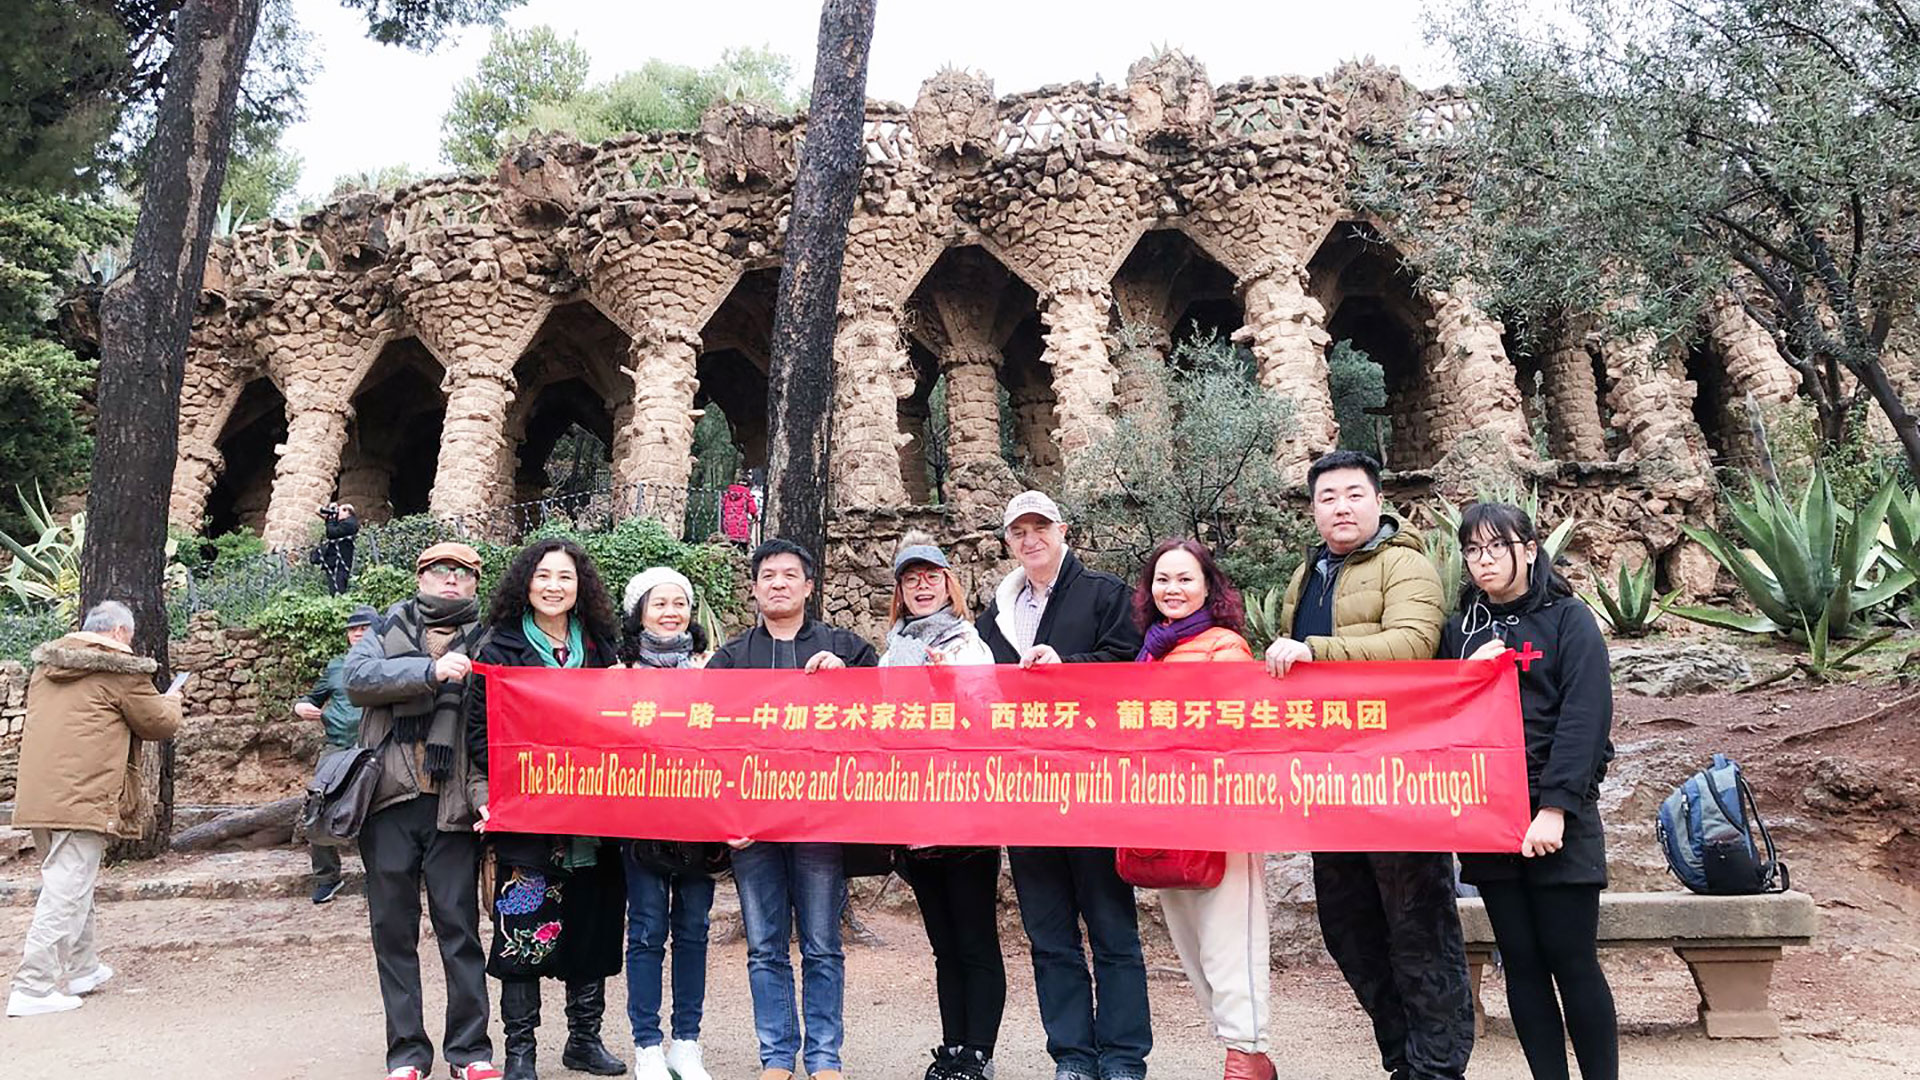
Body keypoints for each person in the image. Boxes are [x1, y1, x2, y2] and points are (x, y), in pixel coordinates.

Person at [1262, 450, 1472, 1080]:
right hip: (1331, 779)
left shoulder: (1405, 563)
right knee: (1347, 924)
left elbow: (1414, 644)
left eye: (1354, 494)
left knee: (1419, 926)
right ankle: (1403, 1059)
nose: (1342, 507)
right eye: (1328, 498)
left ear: (1379, 501)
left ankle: (1437, 1068)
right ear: (1313, 510)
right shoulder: (1309, 575)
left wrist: (1315, 650)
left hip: (1398, 773)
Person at [1438, 503, 1617, 1080]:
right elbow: (1437, 714)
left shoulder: (1570, 619)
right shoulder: (1461, 630)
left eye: (1497, 547)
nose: (1484, 560)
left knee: (1572, 960)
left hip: (1557, 815)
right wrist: (1466, 672)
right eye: (1473, 550)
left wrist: (1557, 808)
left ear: (1530, 549)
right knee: (1521, 963)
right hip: (1490, 817)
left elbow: (1586, 720)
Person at [976, 491, 1150, 1080]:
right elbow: (978, 691)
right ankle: (1072, 1055)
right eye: (1019, 531)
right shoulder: (994, 617)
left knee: (1112, 930)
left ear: (1063, 530)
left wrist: (1068, 666)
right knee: (1049, 936)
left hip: (1093, 787)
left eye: (1040, 528)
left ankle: (1123, 1056)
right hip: (1024, 794)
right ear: (1008, 542)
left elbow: (1132, 668)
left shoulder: (1106, 594)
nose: (1031, 540)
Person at [706, 538, 877, 1080]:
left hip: (820, 822)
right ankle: (776, 1055)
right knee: (764, 946)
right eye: (768, 576)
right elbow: (705, 741)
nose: (778, 583)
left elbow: (887, 715)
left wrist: (848, 683)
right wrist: (724, 816)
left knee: (823, 945)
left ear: (808, 586)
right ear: (755, 589)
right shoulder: (730, 658)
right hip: (751, 826)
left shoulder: (845, 648)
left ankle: (824, 1057)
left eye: (788, 575)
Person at [465, 538, 629, 1080]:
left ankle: (584, 1039)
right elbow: (479, 731)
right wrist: (518, 784)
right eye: (543, 576)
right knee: (522, 933)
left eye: (565, 577)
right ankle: (521, 1052)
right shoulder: (499, 647)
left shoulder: (601, 646)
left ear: (581, 587)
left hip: (596, 816)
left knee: (592, 925)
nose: (553, 586)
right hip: (529, 816)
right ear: (525, 583)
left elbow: (624, 721)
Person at [345, 542, 501, 1080]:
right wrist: (430, 671)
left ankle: (469, 1050)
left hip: (454, 806)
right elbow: (357, 680)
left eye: (463, 572)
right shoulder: (386, 629)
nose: (451, 579)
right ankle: (407, 1054)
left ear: (476, 582)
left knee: (461, 930)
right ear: (421, 578)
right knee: (393, 933)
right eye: (440, 570)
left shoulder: (489, 638)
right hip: (389, 802)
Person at [1131, 540, 1274, 1080]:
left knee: (1228, 937)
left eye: (1185, 579)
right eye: (1163, 579)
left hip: (1219, 814)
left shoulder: (1225, 646)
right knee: (1190, 942)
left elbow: (1237, 726)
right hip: (1164, 810)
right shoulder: (1151, 649)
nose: (1173, 589)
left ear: (1208, 587)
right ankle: (1246, 1052)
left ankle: (1244, 1053)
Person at [7, 601, 182, 1018]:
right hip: (83, 795)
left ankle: (82, 969)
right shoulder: (121, 670)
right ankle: (33, 986)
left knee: (72, 883)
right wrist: (173, 700)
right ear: (119, 633)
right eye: (130, 637)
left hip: (42, 795)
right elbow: (158, 723)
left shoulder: (48, 666)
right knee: (66, 888)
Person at [879, 534, 1001, 1080]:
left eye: (931, 576)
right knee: (943, 945)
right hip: (914, 817)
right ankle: (952, 1047)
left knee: (975, 938)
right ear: (900, 592)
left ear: (948, 584)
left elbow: (991, 721)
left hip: (966, 815)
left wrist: (954, 686)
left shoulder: (970, 645)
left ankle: (979, 1051)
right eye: (911, 579)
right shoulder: (891, 654)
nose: (922, 586)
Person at [616, 565, 719, 1080]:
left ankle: (687, 1041)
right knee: (646, 931)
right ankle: (647, 1045)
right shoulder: (618, 673)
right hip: (640, 823)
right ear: (639, 613)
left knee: (694, 930)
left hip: (699, 821)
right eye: (659, 603)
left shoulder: (711, 671)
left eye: (680, 603)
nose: (670, 612)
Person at [295, 603, 377, 904]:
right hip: (337, 747)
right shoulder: (336, 666)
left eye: (364, 628)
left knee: (378, 814)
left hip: (375, 749)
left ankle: (378, 877)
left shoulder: (389, 664)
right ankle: (327, 878)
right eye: (353, 629)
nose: (358, 633)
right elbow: (311, 698)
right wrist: (301, 707)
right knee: (317, 808)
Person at [311, 502, 360, 595]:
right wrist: (329, 511)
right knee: (333, 586)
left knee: (339, 586)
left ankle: (340, 601)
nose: (337, 514)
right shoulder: (343, 523)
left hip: (340, 560)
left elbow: (331, 533)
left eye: (339, 511)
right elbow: (318, 511)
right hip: (334, 559)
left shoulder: (350, 523)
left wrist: (331, 518)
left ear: (347, 512)